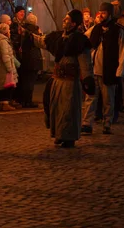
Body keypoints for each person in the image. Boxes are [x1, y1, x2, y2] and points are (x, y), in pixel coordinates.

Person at [25, 10, 95, 148]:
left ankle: (68, 136)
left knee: (68, 110)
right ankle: (58, 134)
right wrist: (28, 35)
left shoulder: (79, 41)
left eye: (67, 19)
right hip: (57, 80)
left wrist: (87, 79)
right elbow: (41, 40)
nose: (64, 19)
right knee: (56, 109)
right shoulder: (57, 37)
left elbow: (85, 63)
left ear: (74, 23)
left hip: (69, 82)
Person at [82, 2, 124, 135]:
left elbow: (122, 51)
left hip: (109, 70)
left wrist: (120, 70)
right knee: (90, 98)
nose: (101, 15)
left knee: (108, 99)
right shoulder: (95, 29)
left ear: (110, 14)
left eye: (104, 12)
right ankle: (86, 124)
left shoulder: (118, 30)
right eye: (100, 12)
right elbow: (84, 38)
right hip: (93, 70)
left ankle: (107, 123)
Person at [0, 21, 19, 111]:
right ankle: (5, 103)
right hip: (4, 68)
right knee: (7, 86)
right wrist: (10, 68)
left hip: (2, 67)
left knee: (6, 85)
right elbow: (6, 56)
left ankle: (4, 103)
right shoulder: (3, 42)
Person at [19, 13, 43, 108]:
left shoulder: (24, 30)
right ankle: (28, 101)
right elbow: (40, 42)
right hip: (33, 59)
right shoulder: (35, 31)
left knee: (25, 80)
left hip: (25, 59)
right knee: (30, 81)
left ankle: (24, 100)